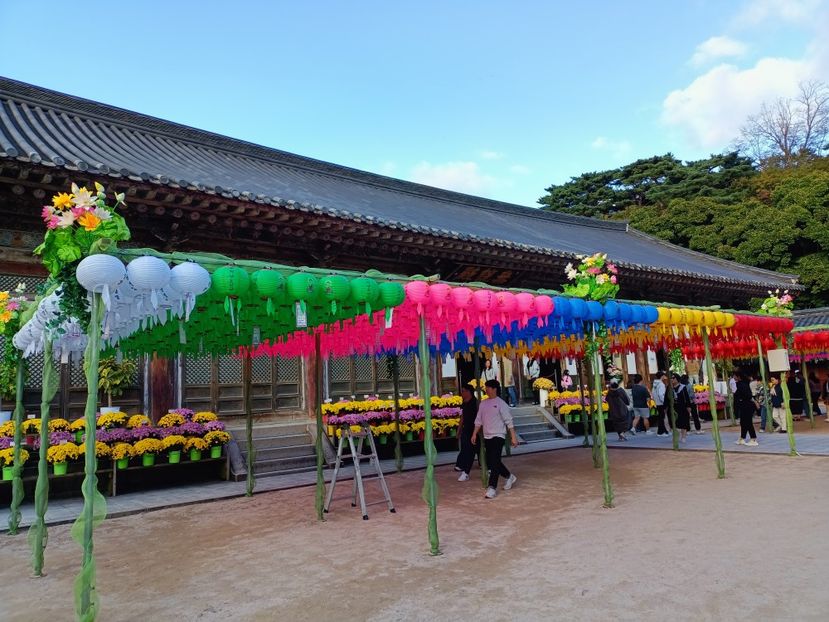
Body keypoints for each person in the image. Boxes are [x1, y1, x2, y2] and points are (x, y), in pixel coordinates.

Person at [471, 380, 518, 499]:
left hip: (499, 435)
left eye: (488, 388)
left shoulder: (501, 404)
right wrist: (474, 434)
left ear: (494, 389)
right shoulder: (483, 403)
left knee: (494, 461)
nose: (486, 390)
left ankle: (492, 487)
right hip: (487, 436)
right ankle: (509, 476)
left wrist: (513, 437)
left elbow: (509, 421)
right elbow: (478, 420)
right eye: (485, 388)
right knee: (492, 460)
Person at [455, 384, 478, 481]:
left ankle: (466, 471)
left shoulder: (475, 402)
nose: (462, 393)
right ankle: (462, 467)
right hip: (466, 429)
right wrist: (459, 430)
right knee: (466, 448)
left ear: (468, 392)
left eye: (463, 391)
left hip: (475, 429)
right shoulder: (464, 402)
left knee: (474, 450)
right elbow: (463, 417)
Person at [734, 371, 758, 446]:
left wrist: (755, 402)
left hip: (746, 405)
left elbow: (748, 395)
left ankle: (753, 438)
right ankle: (742, 438)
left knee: (748, 422)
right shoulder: (740, 384)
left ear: (738, 376)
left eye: (734, 376)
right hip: (743, 405)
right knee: (743, 422)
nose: (733, 377)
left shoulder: (742, 385)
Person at [671, 376, 691, 443]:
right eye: (671, 378)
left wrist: (688, 406)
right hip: (674, 407)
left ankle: (683, 437)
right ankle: (677, 436)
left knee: (683, 422)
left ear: (678, 379)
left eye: (674, 378)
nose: (672, 379)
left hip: (682, 407)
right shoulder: (670, 388)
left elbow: (686, 397)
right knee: (675, 423)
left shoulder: (683, 387)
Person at [652, 371, 669, 436]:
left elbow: (653, 393)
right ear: (662, 376)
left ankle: (663, 431)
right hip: (661, 403)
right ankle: (661, 432)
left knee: (661, 417)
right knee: (662, 418)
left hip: (657, 402)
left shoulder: (655, 384)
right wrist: (664, 402)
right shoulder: (661, 384)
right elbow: (661, 394)